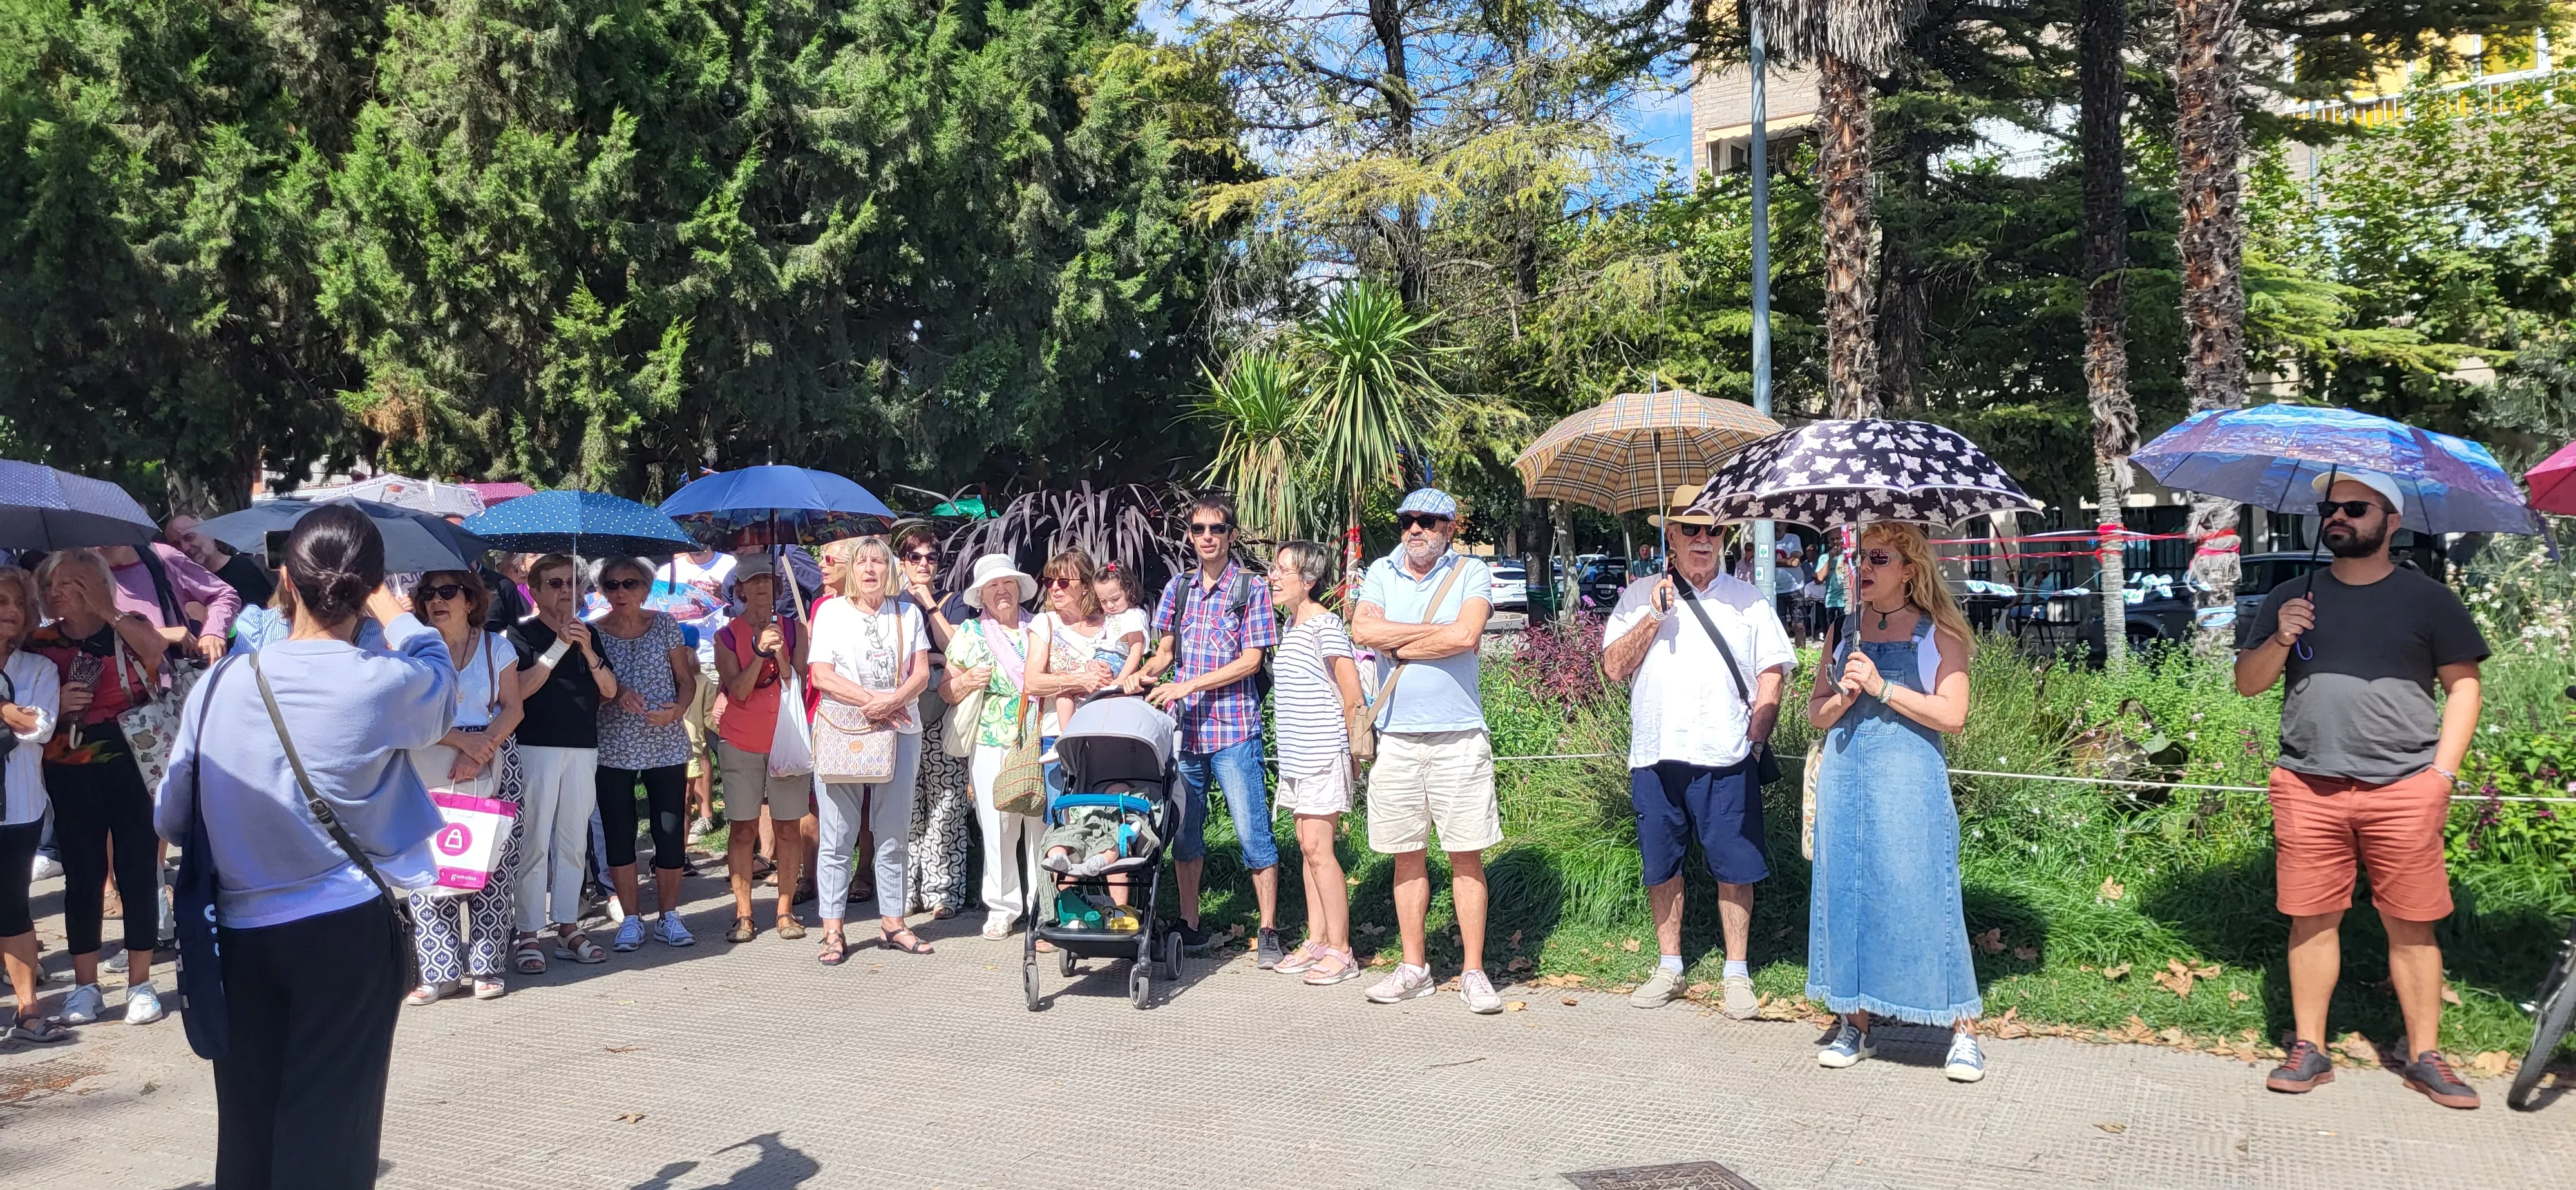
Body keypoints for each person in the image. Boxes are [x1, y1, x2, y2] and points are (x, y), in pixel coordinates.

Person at [157, 503, 457, 1189]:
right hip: (344, 927)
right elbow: (440, 685)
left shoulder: (221, 685)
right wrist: (397, 612)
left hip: (236, 931)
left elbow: (173, 815)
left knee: (248, 1127)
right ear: (372, 586)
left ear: (285, 581)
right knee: (331, 1131)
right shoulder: (380, 684)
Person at [2237, 470, 2486, 1110]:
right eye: (2329, 508)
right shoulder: (2292, 594)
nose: (2337, 517)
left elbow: (2464, 687)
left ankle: (2424, 1055)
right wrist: (2281, 635)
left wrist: (2442, 777)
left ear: (2390, 521)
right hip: (2306, 784)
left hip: (2405, 787)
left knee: (2412, 925)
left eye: (2354, 507)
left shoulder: (2428, 600)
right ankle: (2310, 1048)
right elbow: (2248, 683)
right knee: (2311, 920)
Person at [1803, 521, 1984, 1081]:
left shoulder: (1939, 634)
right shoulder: (1842, 629)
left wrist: (1884, 688)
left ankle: (1963, 1030)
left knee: (1924, 894)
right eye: (1860, 559)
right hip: (1845, 777)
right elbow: (1815, 712)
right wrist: (1843, 697)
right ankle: (1854, 1021)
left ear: (1910, 569)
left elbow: (1953, 716)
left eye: (1878, 559)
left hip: (1909, 782)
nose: (1865, 569)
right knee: (1847, 895)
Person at [1602, 488, 1792, 1019]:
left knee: (1736, 865)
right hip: (1656, 754)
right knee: (1662, 865)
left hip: (1726, 754)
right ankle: (1669, 966)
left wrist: (1756, 740)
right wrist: (1652, 618)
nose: (1704, 540)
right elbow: (1614, 668)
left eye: (1714, 530)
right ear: (1671, 536)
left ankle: (1736, 973)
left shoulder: (1748, 600)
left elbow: (1773, 673)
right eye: (1691, 530)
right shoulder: (1640, 595)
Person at [1349, 489, 1502, 1013]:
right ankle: (1414, 967)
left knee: (1467, 853)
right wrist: (1436, 635)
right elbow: (1362, 629)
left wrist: (1397, 642)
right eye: (1407, 521)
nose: (1415, 529)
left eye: (1428, 521)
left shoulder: (1471, 573)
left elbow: (1466, 633)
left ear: (1450, 527)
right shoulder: (1381, 571)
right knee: (1405, 855)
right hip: (1395, 738)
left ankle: (1473, 971)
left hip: (1458, 735)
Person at [1129, 495, 1280, 958]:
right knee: (1185, 834)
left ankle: (1270, 929)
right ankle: (1190, 924)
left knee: (1252, 833)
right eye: (1198, 530)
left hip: (1234, 731)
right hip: (1187, 736)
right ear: (1190, 536)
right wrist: (1146, 672)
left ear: (1232, 535)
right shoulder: (1178, 589)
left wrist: (1185, 686)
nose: (1207, 537)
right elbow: (1166, 652)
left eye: (1217, 529)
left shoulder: (1250, 589)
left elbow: (1251, 662)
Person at [30, 549, 176, 1026]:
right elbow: (25, 702)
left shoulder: (128, 626)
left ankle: (141, 984)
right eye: (51, 585)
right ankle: (85, 986)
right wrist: (58, 702)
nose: (57, 593)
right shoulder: (40, 643)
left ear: (98, 586)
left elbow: (156, 655)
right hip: (68, 771)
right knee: (83, 878)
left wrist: (110, 611)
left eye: (71, 582)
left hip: (133, 764)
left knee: (137, 872)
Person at [400, 570, 527, 1004]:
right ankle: (439, 971)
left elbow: (514, 708)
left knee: (490, 864)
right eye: (429, 593)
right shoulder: (410, 651)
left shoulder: (498, 647)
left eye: (447, 591)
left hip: (491, 762)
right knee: (429, 864)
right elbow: (403, 715)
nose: (437, 600)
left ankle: (488, 966)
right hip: (429, 757)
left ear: (470, 600)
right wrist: (459, 741)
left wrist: (481, 749)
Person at [808, 537, 934, 963]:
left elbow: (920, 674)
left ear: (890, 569)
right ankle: (832, 930)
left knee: (893, 832)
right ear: (850, 572)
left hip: (899, 728)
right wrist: (870, 700)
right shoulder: (830, 613)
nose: (869, 570)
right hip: (843, 728)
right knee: (838, 834)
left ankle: (893, 923)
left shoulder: (908, 612)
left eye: (878, 562)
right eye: (862, 562)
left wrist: (892, 701)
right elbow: (822, 675)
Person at [507, 554, 617, 970]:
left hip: (583, 746)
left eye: (573, 583)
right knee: (534, 841)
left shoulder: (589, 634)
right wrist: (557, 648)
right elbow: (519, 690)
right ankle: (529, 930)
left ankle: (569, 923)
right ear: (534, 591)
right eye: (555, 583)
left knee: (573, 840)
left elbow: (607, 690)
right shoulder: (518, 636)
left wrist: (587, 649)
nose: (566, 591)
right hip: (535, 747)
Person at [1265, 541, 1366, 987]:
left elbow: (1352, 694)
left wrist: (1356, 752)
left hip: (1325, 753)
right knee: (1307, 847)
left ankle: (1343, 951)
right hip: (1296, 757)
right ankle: (1319, 939)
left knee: (1320, 850)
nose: (1272, 577)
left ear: (1307, 580)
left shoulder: (1326, 625)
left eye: (1282, 570)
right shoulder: (1292, 627)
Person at [589, 556, 698, 950]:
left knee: (669, 830)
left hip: (665, 741)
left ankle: (670, 915)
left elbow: (686, 682)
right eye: (613, 584)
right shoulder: (591, 633)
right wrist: (616, 694)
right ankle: (631, 919)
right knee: (620, 833)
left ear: (645, 588)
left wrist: (678, 710)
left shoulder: (665, 625)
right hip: (614, 745)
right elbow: (590, 691)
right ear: (602, 589)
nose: (621, 592)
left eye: (630, 583)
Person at [942, 554, 1043, 941]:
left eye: (1008, 584)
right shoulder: (970, 634)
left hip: (1038, 739)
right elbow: (946, 691)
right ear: (981, 595)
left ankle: (1043, 905)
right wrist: (968, 681)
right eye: (992, 587)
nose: (1002, 592)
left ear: (1019, 588)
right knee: (998, 828)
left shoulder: (1041, 628)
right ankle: (1002, 908)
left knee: (1040, 824)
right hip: (990, 741)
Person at [712, 554, 811, 943]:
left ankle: (785, 910)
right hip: (741, 741)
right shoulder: (726, 636)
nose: (761, 589)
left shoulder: (795, 630)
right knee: (742, 830)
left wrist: (781, 654)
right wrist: (758, 654)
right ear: (739, 590)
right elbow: (736, 691)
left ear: (778, 588)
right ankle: (744, 914)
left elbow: (799, 684)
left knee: (789, 829)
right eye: (753, 582)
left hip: (786, 740)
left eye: (768, 581)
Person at [0, 567, 66, 1044]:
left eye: (19, 604)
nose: (12, 612)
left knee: (13, 908)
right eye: (3, 602)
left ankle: (28, 1011)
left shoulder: (36, 670)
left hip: (18, 808)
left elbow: (38, 727)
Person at [895, 525, 973, 919]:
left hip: (943, 719)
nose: (924, 564)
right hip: (901, 716)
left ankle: (944, 891)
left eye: (931, 558)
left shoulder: (952, 602)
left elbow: (957, 648)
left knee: (947, 808)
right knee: (906, 809)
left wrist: (928, 603)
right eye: (915, 557)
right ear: (903, 561)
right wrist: (938, 663)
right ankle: (905, 891)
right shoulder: (890, 604)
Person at [656, 549, 735, 835]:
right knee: (690, 738)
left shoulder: (729, 564)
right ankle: (697, 812)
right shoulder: (668, 570)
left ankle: (734, 805)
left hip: (715, 659)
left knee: (719, 739)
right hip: (675, 663)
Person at [100, 541, 240, 666]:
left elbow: (224, 594)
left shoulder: (160, 557)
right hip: (118, 688)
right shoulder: (84, 576)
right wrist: (163, 634)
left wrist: (214, 632)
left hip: (177, 683)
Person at [166, 513, 275, 609]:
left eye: (189, 537)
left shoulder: (245, 568)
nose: (185, 548)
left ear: (209, 532)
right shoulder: (184, 588)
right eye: (177, 545)